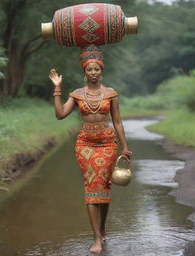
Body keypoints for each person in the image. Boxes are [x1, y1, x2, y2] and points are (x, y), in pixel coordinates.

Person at [48, 44, 132, 253]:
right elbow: (60, 115)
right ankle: (96, 237)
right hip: (85, 145)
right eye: (89, 69)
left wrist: (125, 147)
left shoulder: (111, 93)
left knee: (103, 187)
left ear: (102, 70)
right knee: (92, 188)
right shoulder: (77, 94)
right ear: (84, 72)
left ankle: (102, 229)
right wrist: (57, 88)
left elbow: (118, 122)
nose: (93, 73)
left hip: (107, 144)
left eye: (97, 69)